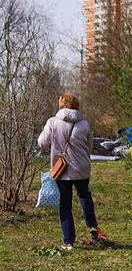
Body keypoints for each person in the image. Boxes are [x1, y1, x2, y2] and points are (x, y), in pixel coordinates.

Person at [38, 93, 110, 250]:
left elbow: (42, 143)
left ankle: (68, 242)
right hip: (82, 168)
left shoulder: (52, 122)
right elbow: (89, 146)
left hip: (62, 170)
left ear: (61, 105)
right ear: (77, 106)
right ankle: (92, 225)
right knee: (84, 195)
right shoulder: (84, 124)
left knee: (65, 205)